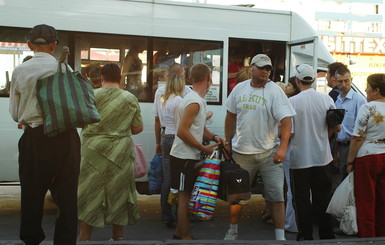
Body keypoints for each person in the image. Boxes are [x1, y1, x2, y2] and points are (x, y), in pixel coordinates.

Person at [9, 24, 81, 245]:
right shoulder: (65, 69)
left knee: (31, 194)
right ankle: (65, 240)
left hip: (35, 138)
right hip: (66, 137)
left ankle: (32, 239)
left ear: (29, 45)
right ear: (54, 45)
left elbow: (14, 113)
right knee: (67, 196)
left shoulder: (21, 71)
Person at [224, 54, 296, 241]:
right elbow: (230, 115)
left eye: (268, 68)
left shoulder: (274, 91)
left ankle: (280, 237)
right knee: (237, 197)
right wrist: (227, 141)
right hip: (242, 153)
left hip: (269, 153)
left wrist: (282, 148)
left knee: (276, 195)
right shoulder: (240, 89)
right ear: (251, 68)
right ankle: (233, 231)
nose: (265, 71)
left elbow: (287, 121)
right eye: (262, 67)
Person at [77, 63, 143, 241]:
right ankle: (118, 237)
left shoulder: (90, 95)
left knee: (89, 193)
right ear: (120, 79)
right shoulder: (130, 98)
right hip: (120, 152)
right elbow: (137, 128)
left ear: (101, 78)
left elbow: (80, 122)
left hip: (92, 150)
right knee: (119, 194)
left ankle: (84, 237)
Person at [170, 63, 224, 240]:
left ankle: (180, 232)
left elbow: (198, 129)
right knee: (184, 197)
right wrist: (203, 148)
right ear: (208, 79)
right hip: (183, 156)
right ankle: (185, 236)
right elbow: (182, 131)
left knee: (184, 196)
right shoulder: (194, 102)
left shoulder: (194, 99)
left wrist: (214, 137)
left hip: (184, 156)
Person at [289, 64, 341, 241]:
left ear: (297, 80)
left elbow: (290, 132)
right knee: (323, 198)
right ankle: (327, 234)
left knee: (302, 200)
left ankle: (305, 235)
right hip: (322, 156)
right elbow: (336, 127)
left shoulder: (292, 102)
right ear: (313, 79)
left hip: (299, 158)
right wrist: (322, 138)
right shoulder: (326, 100)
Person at [346, 73, 385, 238]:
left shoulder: (367, 108)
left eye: (368, 86)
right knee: (383, 200)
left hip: (367, 156)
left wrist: (349, 161)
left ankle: (368, 238)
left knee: (366, 201)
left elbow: (357, 137)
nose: (365, 90)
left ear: (376, 90)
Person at [335, 67, 366, 180]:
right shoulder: (338, 100)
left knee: (353, 181)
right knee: (344, 181)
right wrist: (336, 153)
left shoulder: (359, 100)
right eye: (340, 81)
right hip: (341, 147)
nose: (344, 84)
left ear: (351, 80)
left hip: (354, 146)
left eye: (346, 80)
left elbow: (363, 128)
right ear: (336, 82)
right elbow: (337, 128)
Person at [282, 76, 300, 233]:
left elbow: (289, 131)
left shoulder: (290, 103)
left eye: (289, 84)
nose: (286, 87)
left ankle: (290, 223)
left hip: (291, 150)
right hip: (306, 151)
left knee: (291, 186)